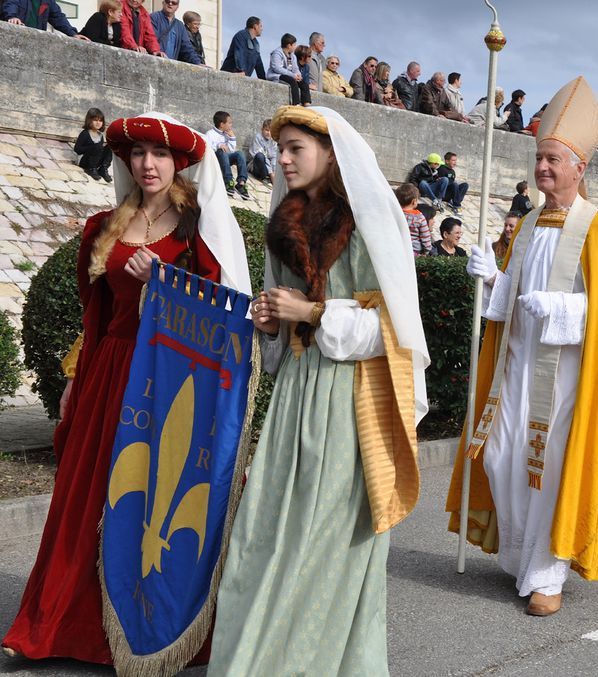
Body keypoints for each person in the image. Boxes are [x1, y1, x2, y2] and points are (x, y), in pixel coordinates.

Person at [1, 112, 250, 664]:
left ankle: (144, 630)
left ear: (180, 162)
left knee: (144, 499)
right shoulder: (103, 226)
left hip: (163, 383)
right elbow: (95, 316)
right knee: (84, 497)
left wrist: (160, 282)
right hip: (107, 373)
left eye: (159, 155)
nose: (147, 164)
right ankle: (59, 626)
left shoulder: (197, 231)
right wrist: (75, 376)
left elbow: (223, 316)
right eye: (137, 153)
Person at [207, 105, 428, 676]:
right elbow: (284, 326)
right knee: (269, 530)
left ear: (330, 153)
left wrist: (313, 310)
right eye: (279, 148)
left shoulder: (373, 219)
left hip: (350, 401)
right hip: (298, 396)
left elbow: (394, 330)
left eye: (295, 148)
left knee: (323, 542)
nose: (281, 158)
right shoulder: (286, 222)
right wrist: (272, 322)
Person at [446, 76, 598, 617]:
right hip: (517, 368)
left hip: (568, 376)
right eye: (540, 159)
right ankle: (519, 561)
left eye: (554, 159)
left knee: (549, 467)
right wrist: (493, 280)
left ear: (580, 168)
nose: (544, 168)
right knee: (503, 455)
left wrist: (563, 309)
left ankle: (546, 574)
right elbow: (514, 301)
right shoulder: (527, 224)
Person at [205, 111, 250, 199]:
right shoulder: (210, 134)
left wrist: (232, 137)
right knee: (222, 151)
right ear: (222, 124)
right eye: (229, 123)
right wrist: (218, 146)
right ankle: (228, 181)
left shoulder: (227, 134)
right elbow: (207, 148)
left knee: (240, 153)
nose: (231, 125)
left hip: (226, 159)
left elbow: (231, 150)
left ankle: (241, 183)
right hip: (216, 159)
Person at [149, 0, 202, 64]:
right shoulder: (154, 17)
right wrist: (156, 51)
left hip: (170, 65)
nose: (170, 4)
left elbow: (187, 48)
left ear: (177, 6)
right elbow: (151, 38)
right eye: (168, 1)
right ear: (163, 2)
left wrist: (198, 63)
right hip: (155, 60)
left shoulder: (180, 25)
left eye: (174, 3)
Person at [267, 33, 311, 106]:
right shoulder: (277, 53)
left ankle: (307, 103)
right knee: (292, 81)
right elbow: (277, 68)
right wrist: (293, 75)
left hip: (290, 75)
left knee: (304, 84)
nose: (295, 46)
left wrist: (298, 75)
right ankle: (296, 104)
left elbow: (295, 68)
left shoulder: (292, 56)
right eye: (294, 45)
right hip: (277, 75)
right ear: (289, 45)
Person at [2, 0, 86, 38]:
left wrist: (73, 34)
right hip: (16, 36)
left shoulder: (49, 1)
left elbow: (58, 17)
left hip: (36, 39)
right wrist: (12, 16)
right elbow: (11, 3)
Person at [73, 108, 113, 182]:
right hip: (84, 161)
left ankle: (103, 169)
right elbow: (77, 149)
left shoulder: (100, 135)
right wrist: (92, 148)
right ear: (89, 121)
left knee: (111, 146)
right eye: (95, 120)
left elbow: (99, 151)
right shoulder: (85, 133)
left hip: (95, 161)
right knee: (97, 146)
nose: (98, 123)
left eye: (100, 121)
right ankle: (91, 169)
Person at [395, 183, 431, 256]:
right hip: (414, 251)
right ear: (414, 201)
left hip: (397, 246)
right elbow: (426, 237)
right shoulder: (420, 218)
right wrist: (426, 251)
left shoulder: (395, 213)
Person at [248, 118, 278, 184]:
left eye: (271, 131)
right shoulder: (258, 138)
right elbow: (263, 155)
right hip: (258, 165)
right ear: (262, 129)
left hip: (268, 167)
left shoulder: (273, 140)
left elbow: (274, 156)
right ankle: (265, 176)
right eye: (267, 130)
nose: (269, 133)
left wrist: (274, 171)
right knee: (260, 156)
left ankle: (270, 177)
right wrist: (271, 173)